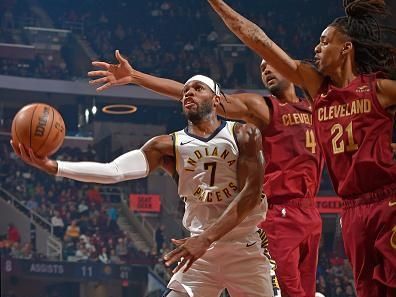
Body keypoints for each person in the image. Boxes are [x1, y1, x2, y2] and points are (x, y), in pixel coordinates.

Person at [88, 50, 324, 297]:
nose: (265, 69)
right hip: (276, 212)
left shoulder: (315, 108)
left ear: (290, 67)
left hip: (311, 213)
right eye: (262, 67)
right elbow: (191, 94)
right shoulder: (262, 107)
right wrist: (136, 76)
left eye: (271, 64)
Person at [11, 75, 273, 297]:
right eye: (185, 90)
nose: (188, 92)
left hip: (243, 249)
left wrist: (204, 239)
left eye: (198, 88)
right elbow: (112, 171)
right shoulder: (167, 145)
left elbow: (250, 195)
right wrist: (55, 167)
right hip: (199, 253)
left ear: (217, 99)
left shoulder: (242, 134)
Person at [205, 0, 396, 296]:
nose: (316, 49)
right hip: (353, 209)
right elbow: (258, 40)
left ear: (346, 48)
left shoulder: (378, 89)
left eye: (324, 42)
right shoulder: (317, 89)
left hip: (388, 201)